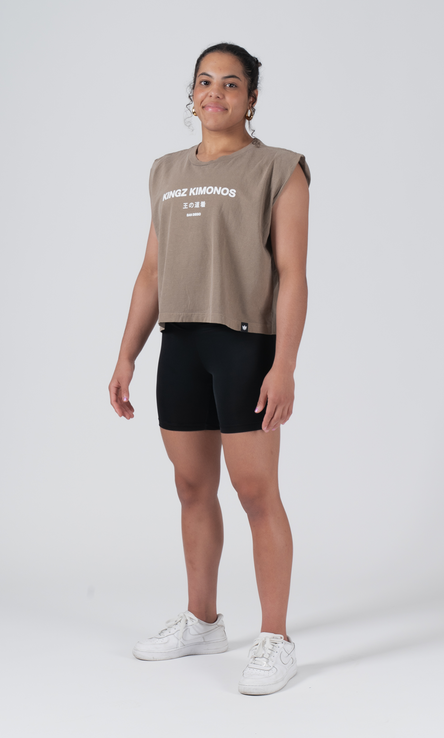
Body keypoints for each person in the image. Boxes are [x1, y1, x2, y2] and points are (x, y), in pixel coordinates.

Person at [108, 42, 310, 695]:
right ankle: (202, 621)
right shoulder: (165, 170)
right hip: (181, 343)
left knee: (255, 492)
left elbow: (292, 274)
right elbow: (152, 272)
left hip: (245, 345)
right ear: (191, 94)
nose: (214, 93)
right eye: (204, 81)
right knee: (192, 488)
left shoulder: (280, 168)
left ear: (252, 98)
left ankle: (276, 639)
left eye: (230, 83)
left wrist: (284, 365)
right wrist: (127, 354)